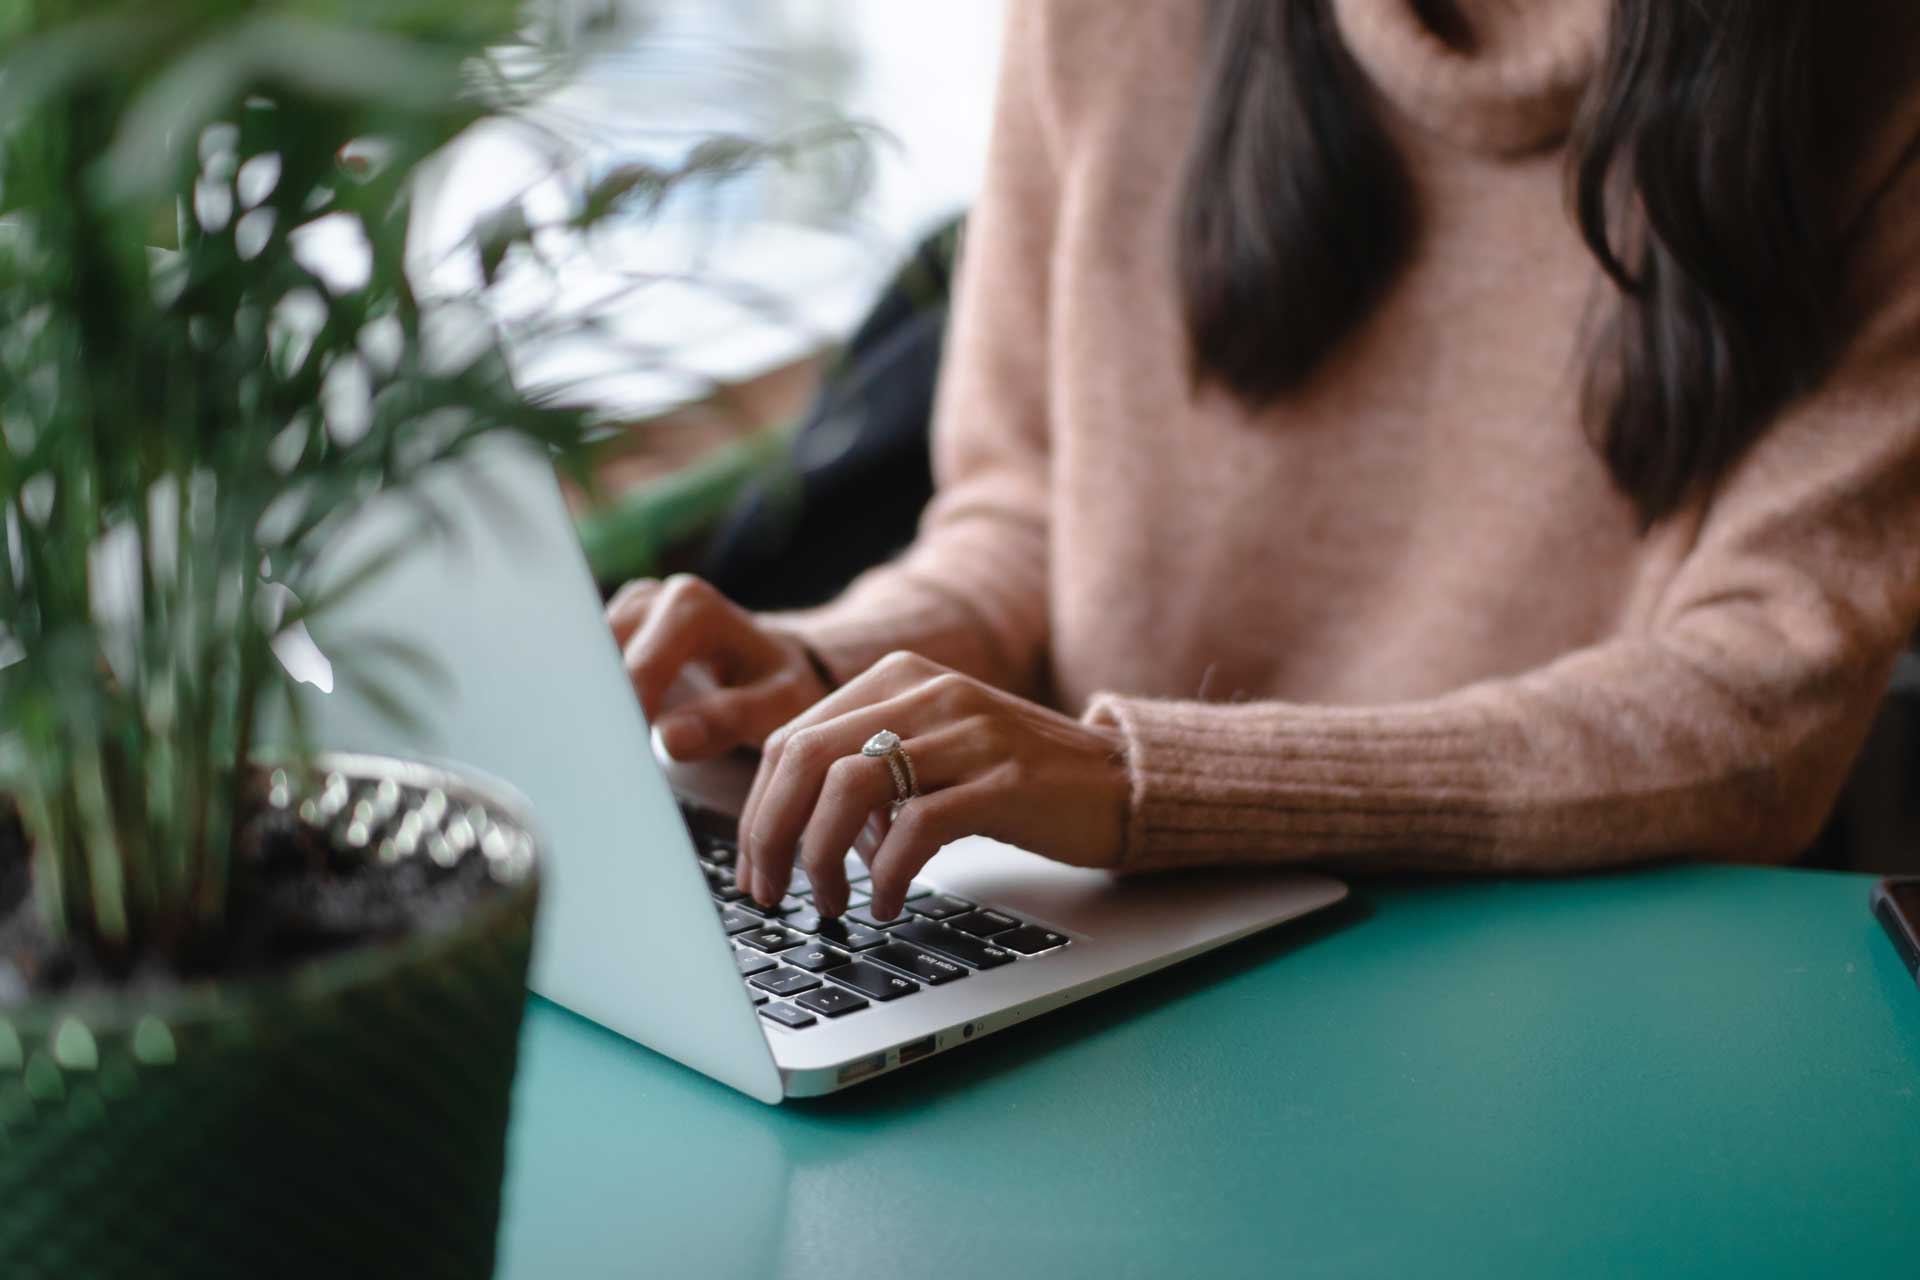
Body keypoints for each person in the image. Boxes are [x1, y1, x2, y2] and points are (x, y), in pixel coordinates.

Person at [608, 0, 1920, 924]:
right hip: (1109, 927)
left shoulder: (1875, 74)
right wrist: (832, 666)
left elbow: (1758, 710)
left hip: (1558, 975)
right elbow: (1023, 511)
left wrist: (1145, 788)